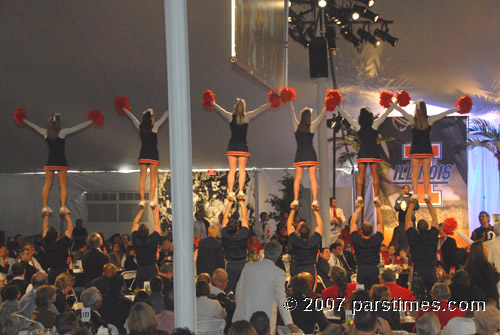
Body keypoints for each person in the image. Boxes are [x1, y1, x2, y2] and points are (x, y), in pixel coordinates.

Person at [19, 111, 101, 214]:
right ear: (59, 122)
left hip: (50, 162)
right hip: (61, 162)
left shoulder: (45, 132)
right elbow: (78, 127)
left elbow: (33, 126)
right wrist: (91, 121)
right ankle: (62, 206)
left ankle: (44, 206)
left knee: (47, 184)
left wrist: (23, 119)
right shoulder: (62, 132)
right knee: (63, 186)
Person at [208, 94, 270, 200]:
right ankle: (240, 191)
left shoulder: (229, 116)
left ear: (235, 107)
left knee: (232, 170)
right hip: (242, 147)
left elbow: (219, 109)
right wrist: (270, 103)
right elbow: (259, 110)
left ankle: (231, 192)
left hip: (232, 146)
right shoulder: (247, 116)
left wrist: (211, 102)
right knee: (242, 170)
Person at [395, 100, 460, 200]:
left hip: (416, 149)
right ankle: (425, 193)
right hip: (426, 149)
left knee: (415, 173)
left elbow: (400, 111)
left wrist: (392, 103)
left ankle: (415, 193)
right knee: (426, 172)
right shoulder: (430, 119)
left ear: (416, 109)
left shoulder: (413, 120)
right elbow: (445, 113)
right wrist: (458, 108)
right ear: (425, 108)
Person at [233, 241, 298, 335]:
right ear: (278, 256)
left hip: (244, 317)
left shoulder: (248, 266)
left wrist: (239, 311)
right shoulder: (278, 273)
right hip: (263, 321)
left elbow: (238, 291)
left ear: (264, 252)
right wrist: (289, 322)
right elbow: (281, 299)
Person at [338, 102, 396, 204]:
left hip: (363, 152)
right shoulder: (375, 124)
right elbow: (386, 114)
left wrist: (337, 106)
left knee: (361, 175)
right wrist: (394, 104)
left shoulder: (358, 126)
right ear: (370, 116)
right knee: (375, 175)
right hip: (373, 152)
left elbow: (346, 116)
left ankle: (360, 196)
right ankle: (376, 197)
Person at [120, 102, 168, 208]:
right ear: (151, 118)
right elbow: (166, 115)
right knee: (153, 178)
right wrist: (172, 107)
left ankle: (142, 200)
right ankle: (151, 200)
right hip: (153, 155)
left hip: (143, 154)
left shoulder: (140, 126)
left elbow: (131, 117)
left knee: (142, 177)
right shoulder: (155, 126)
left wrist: (123, 108)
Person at [285, 96, 328, 209]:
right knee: (312, 177)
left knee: (297, 178)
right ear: (309, 117)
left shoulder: (296, 125)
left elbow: (291, 112)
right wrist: (329, 103)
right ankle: (314, 200)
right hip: (310, 154)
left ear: (301, 116)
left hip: (300, 154)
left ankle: (295, 199)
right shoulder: (312, 126)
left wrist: (289, 100)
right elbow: (323, 114)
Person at [406, 197, 439, 298]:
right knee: (433, 297)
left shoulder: (413, 236)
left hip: (418, 270)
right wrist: (429, 203)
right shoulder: (433, 234)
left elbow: (407, 220)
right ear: (428, 226)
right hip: (431, 270)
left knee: (418, 298)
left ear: (417, 228)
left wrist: (412, 204)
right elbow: (435, 218)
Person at [350, 201, 384, 290]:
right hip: (374, 271)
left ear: (361, 230)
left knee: (361, 293)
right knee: (375, 293)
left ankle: (361, 304)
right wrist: (378, 208)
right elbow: (381, 224)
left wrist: (359, 208)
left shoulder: (357, 240)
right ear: (372, 231)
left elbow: (353, 224)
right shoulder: (376, 240)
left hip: (361, 271)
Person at [221, 197, 250, 293]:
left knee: (229, 288)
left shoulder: (225, 235)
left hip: (231, 264)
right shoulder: (243, 235)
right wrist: (241, 201)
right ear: (238, 228)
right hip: (243, 264)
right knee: (244, 288)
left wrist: (230, 203)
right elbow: (245, 218)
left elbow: (224, 218)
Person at [287, 203, 323, 278]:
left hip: (297, 270)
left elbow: (289, 226)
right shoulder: (314, 240)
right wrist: (315, 211)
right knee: (310, 290)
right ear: (310, 232)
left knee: (297, 289)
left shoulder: (295, 240)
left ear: (298, 232)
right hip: (310, 270)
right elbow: (320, 226)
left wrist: (293, 210)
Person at [132, 206, 161, 289]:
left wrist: (142, 210)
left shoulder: (135, 239)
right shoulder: (153, 239)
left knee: (140, 290)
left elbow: (134, 223)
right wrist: (154, 211)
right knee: (153, 289)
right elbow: (157, 225)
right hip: (151, 268)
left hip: (141, 269)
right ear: (148, 232)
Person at [464, 240, 500, 304]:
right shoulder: (485, 265)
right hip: (489, 297)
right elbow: (490, 281)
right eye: (485, 246)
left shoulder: (470, 265)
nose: (487, 247)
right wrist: (497, 274)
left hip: (476, 296)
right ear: (481, 250)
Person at [42, 211, 73, 284]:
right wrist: (66, 214)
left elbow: (44, 229)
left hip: (51, 271)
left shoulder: (46, 244)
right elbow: (70, 228)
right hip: (63, 271)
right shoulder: (63, 242)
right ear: (58, 234)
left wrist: (46, 216)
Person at [392, 185, 419, 249]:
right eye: (406, 188)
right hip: (402, 219)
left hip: (411, 219)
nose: (407, 189)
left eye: (408, 188)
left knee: (412, 233)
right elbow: (396, 207)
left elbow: (417, 206)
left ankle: (412, 248)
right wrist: (401, 207)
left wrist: (409, 207)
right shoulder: (399, 198)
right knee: (402, 234)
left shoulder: (412, 198)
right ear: (402, 190)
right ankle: (402, 248)